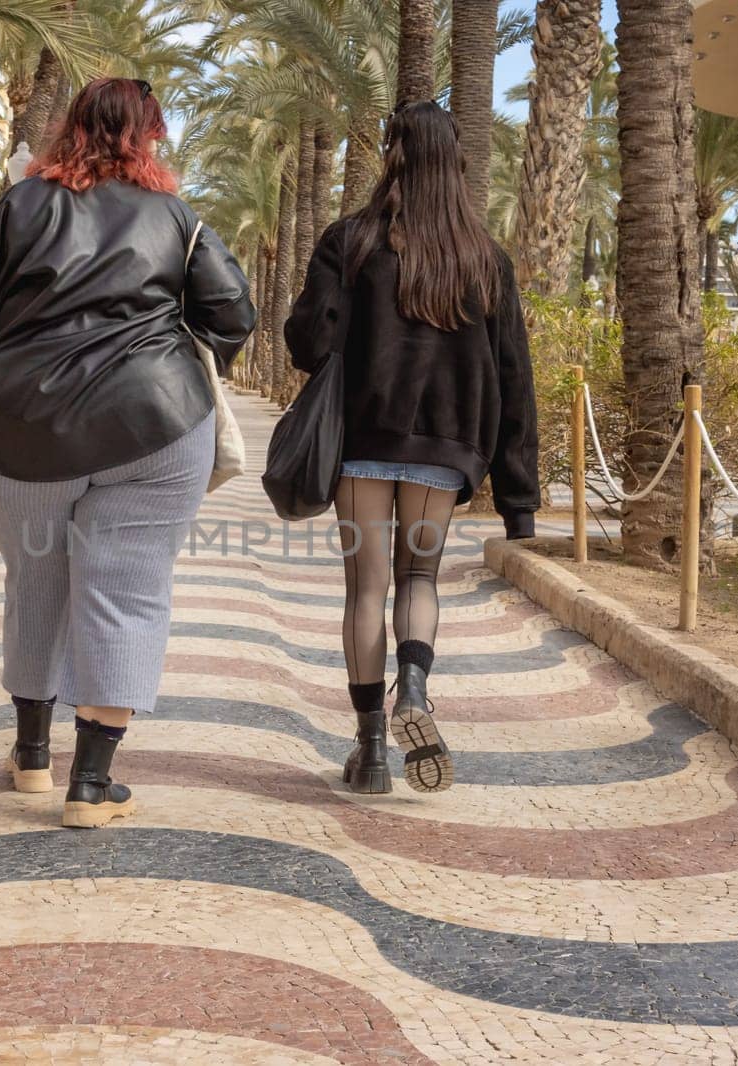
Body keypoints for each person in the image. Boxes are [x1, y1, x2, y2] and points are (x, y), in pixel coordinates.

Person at [0, 78, 256, 828]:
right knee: (127, 590)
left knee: (36, 578)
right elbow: (234, 314)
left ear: (71, 132)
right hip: (155, 423)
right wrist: (172, 348)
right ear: (147, 136)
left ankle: (30, 756)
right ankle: (91, 785)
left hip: (21, 428)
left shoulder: (22, 205)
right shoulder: (177, 219)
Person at [285, 100, 539, 797]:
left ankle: (369, 754)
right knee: (418, 578)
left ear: (391, 154)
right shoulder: (485, 258)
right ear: (455, 162)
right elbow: (516, 377)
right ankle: (416, 693)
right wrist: (520, 503)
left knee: (365, 589)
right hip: (447, 448)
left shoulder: (351, 242)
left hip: (363, 442)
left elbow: (309, 344)